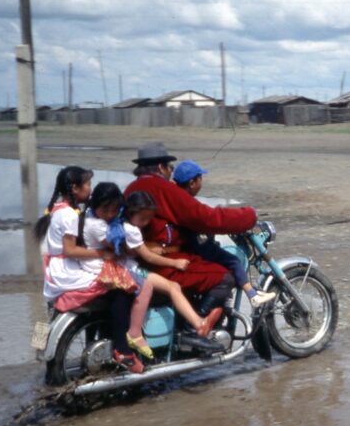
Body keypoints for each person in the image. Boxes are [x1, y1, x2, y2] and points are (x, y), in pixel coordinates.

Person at [123, 142, 257, 340]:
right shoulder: (160, 187)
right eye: (169, 167)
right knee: (224, 278)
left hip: (141, 258)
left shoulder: (132, 188)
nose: (170, 172)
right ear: (160, 167)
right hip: (162, 260)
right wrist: (247, 216)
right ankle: (193, 328)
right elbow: (204, 217)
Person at [84, 183, 224, 359]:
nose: (146, 223)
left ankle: (47, 359)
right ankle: (197, 324)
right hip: (128, 270)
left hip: (61, 277)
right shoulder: (129, 230)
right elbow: (148, 258)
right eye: (143, 219)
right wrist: (174, 263)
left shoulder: (88, 219)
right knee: (171, 286)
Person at [34, 166, 143, 373]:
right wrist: (102, 254)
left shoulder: (57, 209)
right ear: (75, 188)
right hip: (66, 271)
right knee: (123, 289)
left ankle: (92, 339)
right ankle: (122, 348)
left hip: (57, 270)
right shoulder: (70, 215)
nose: (89, 189)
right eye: (87, 184)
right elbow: (70, 250)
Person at [171, 159, 275, 307]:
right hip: (197, 247)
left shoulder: (177, 198)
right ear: (192, 183)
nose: (202, 181)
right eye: (200, 178)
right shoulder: (187, 203)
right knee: (233, 261)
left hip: (190, 245)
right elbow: (207, 220)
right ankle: (252, 294)